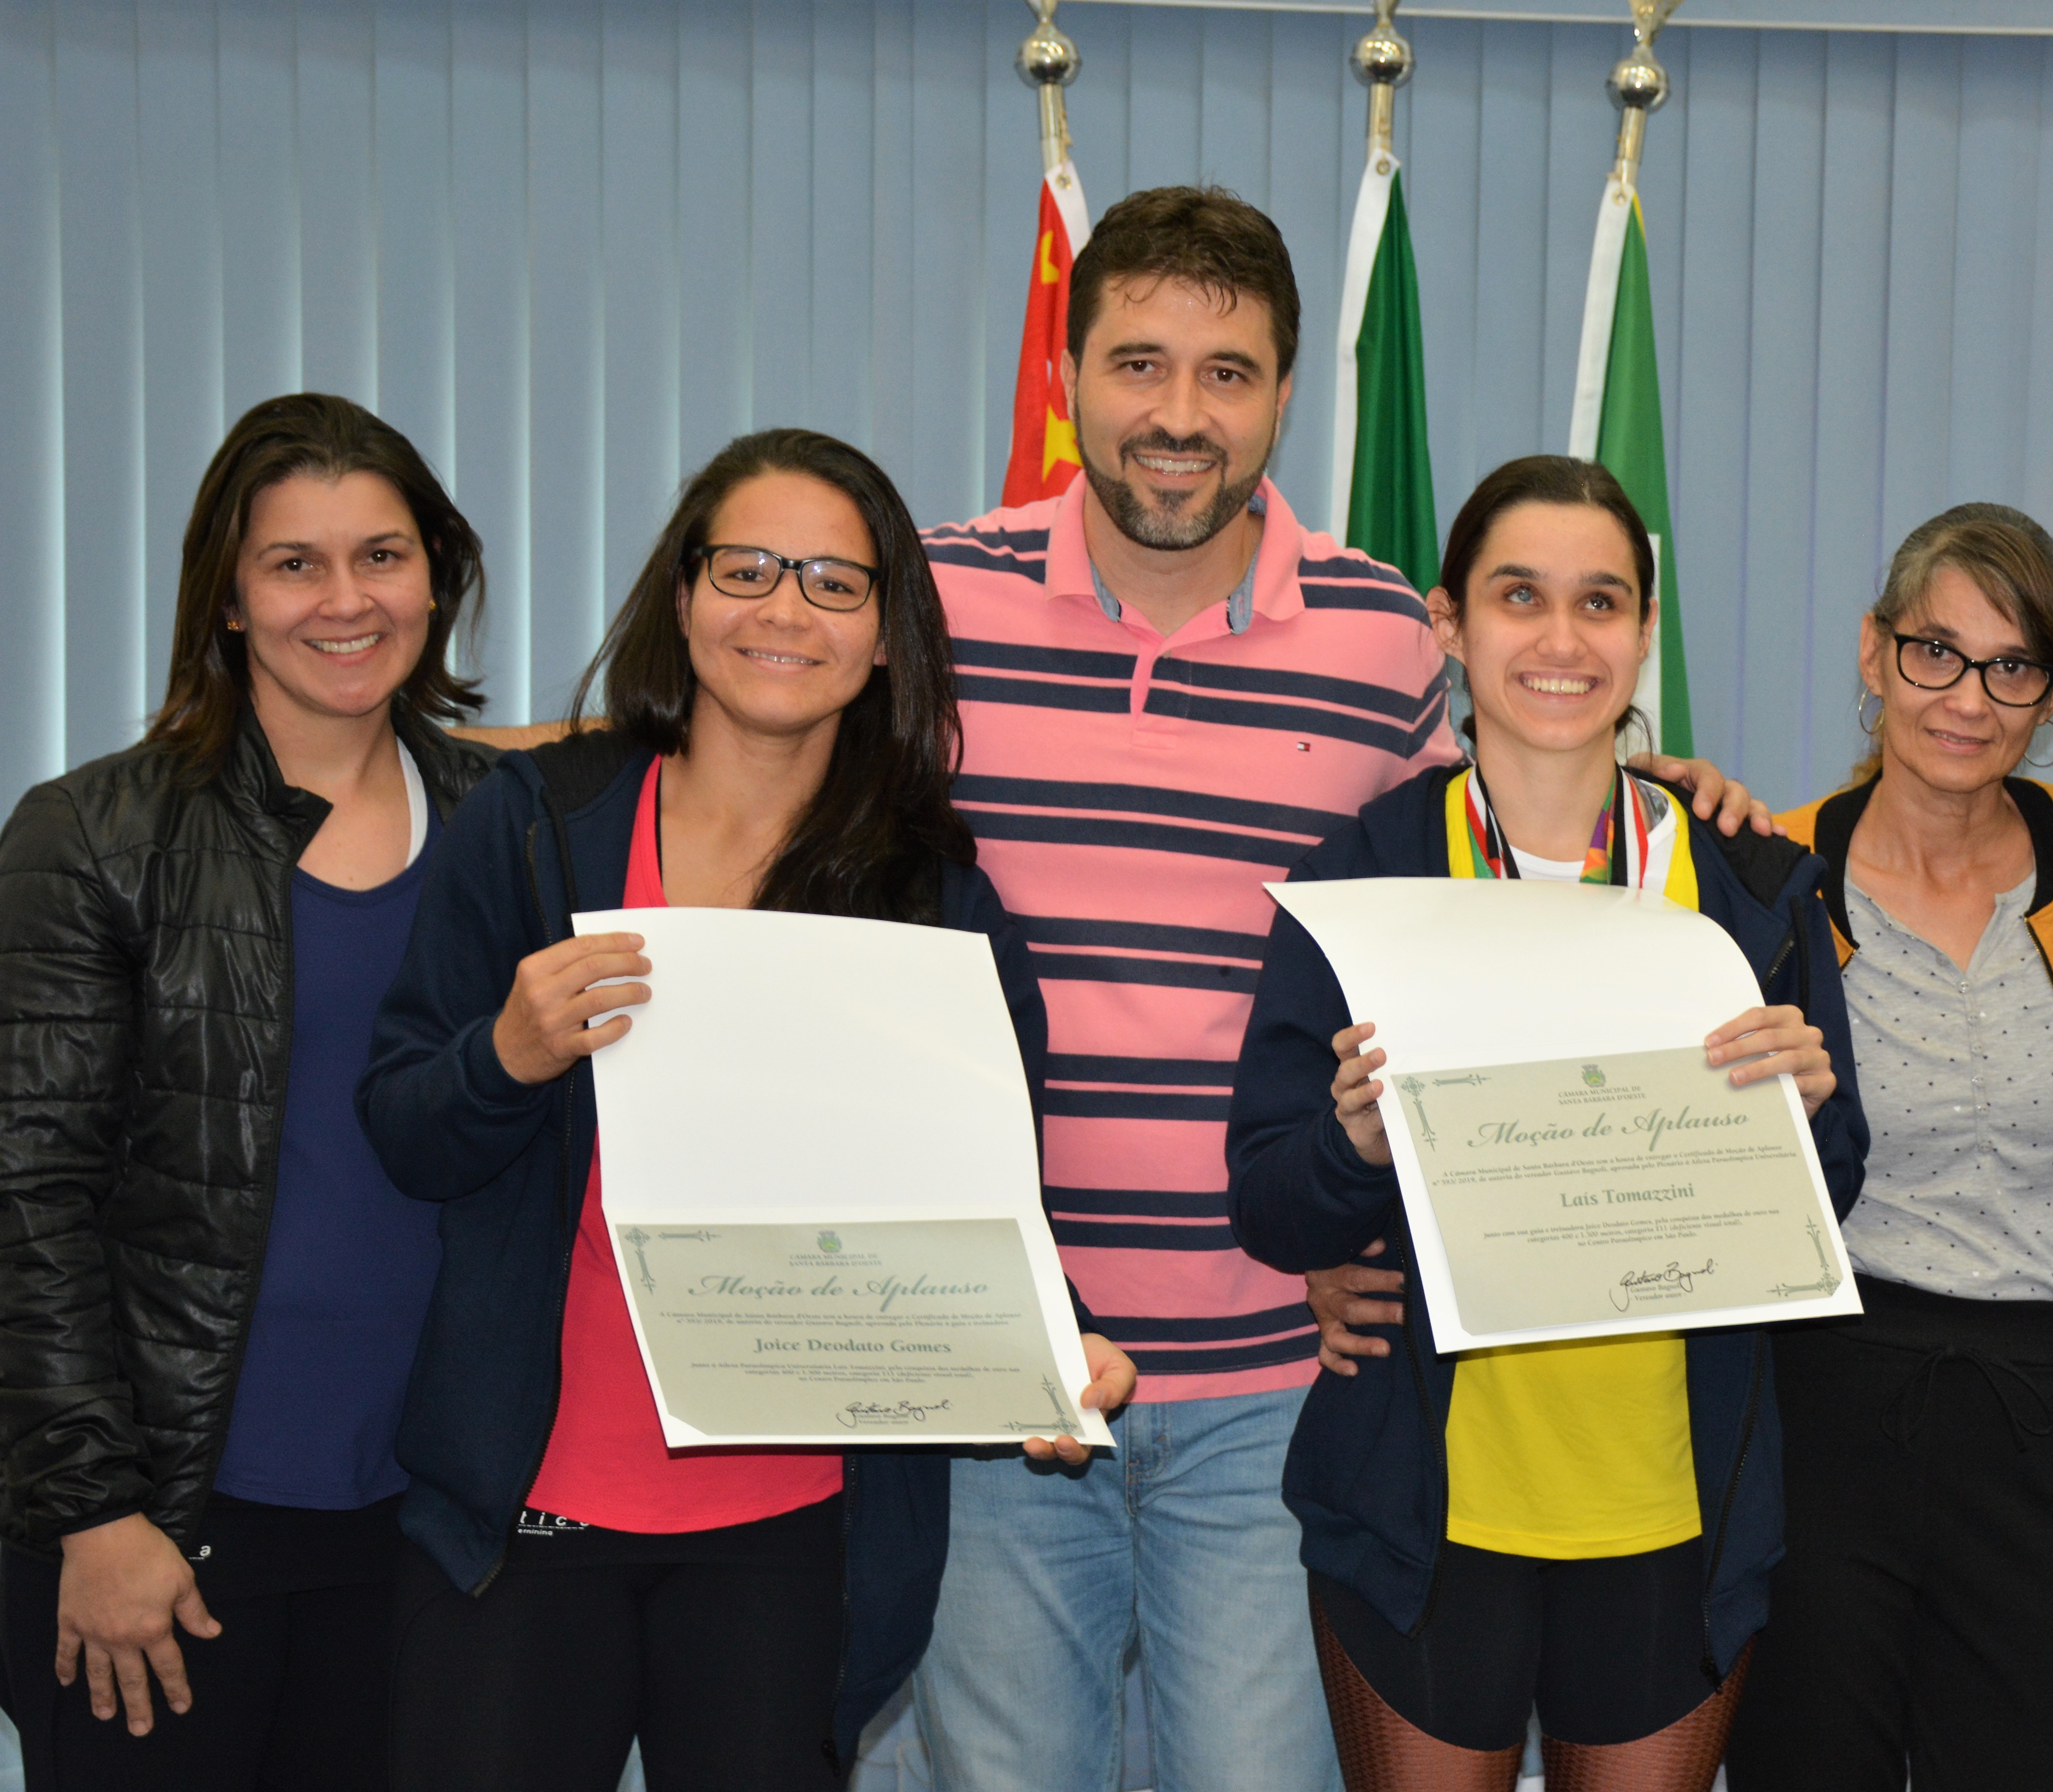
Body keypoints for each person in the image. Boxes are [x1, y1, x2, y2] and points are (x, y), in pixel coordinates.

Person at [909, 186, 1769, 1792]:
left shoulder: (1380, 633)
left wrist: (1681, 796)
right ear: (1072, 375)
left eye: (1227, 374)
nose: (1179, 415)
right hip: (999, 1366)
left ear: (1285, 393)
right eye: (1139, 364)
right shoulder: (938, 606)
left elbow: (1512, 883)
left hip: (1277, 1381)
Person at [356, 428, 1132, 1792]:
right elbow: (406, 1128)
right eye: (749, 569)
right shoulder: (537, 827)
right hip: (522, 1517)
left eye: (837, 584)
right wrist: (509, 1054)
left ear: (890, 637)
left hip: (791, 1544)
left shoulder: (935, 906)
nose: (785, 610)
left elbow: (993, 1211)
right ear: (683, 595)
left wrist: (1050, 1352)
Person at [1225, 454, 1871, 1791]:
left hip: (1670, 1512)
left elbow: (1837, 1181)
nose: (1564, 640)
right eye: (1521, 597)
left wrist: (1806, 1112)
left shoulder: (1747, 882)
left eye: (1603, 602)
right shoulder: (1367, 873)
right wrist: (1351, 1142)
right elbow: (1267, 1198)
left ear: (1643, 634)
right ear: (1451, 623)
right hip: (1428, 1514)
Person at [0, 393, 494, 1789]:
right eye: (296, 564)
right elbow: (24, 1200)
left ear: (436, 578)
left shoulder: (506, 834)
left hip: (424, 1525)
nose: (346, 601)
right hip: (164, 1533)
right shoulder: (95, 834)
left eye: (384, 556)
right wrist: (93, 1519)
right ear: (228, 596)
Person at [1722, 504, 2053, 1791]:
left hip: (2048, 1418)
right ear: (1873, 652)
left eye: (2013, 666)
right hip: (1828, 1403)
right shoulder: (1767, 875)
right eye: (1934, 652)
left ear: (2052, 689)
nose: (1968, 698)